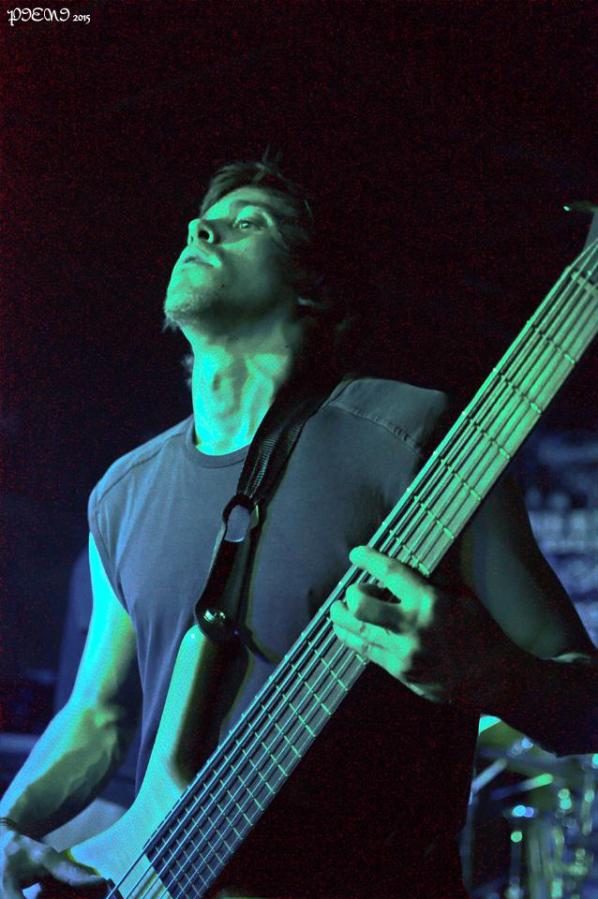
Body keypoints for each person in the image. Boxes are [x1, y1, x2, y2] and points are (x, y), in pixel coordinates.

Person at [1, 152, 597, 899]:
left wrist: (493, 673)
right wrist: (8, 827)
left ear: (312, 285)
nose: (202, 230)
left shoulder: (412, 436)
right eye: (201, 222)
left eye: (247, 223)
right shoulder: (122, 493)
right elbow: (98, 715)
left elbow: (586, 706)